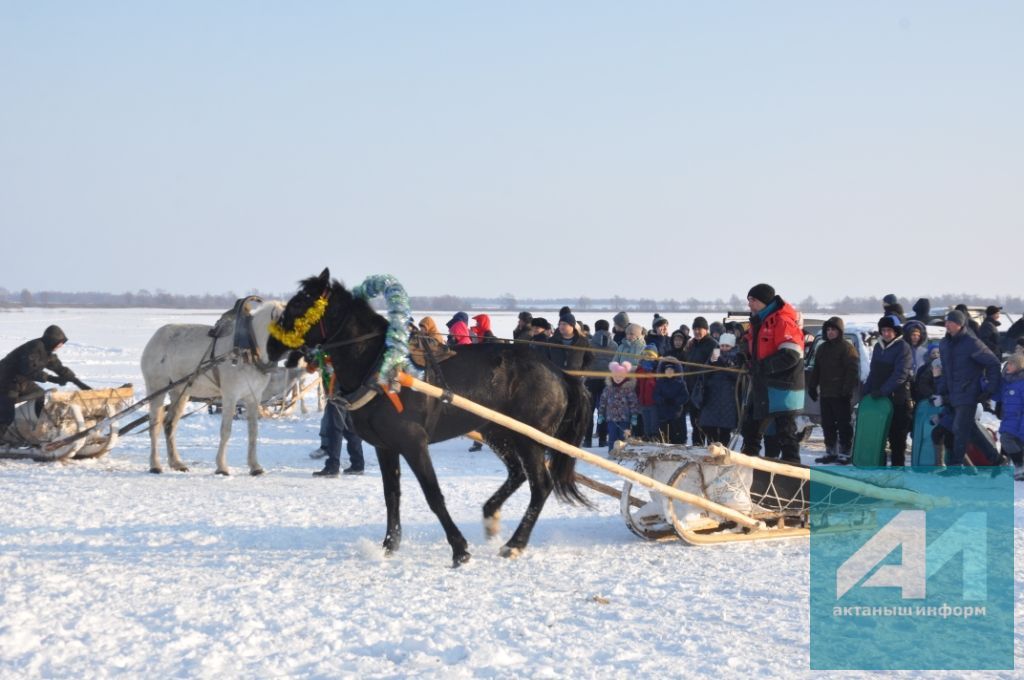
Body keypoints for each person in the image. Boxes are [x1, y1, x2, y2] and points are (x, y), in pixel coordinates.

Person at [739, 284, 805, 464]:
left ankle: (793, 473)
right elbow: (752, 348)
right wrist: (744, 355)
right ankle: (748, 467)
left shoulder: (783, 321)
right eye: (749, 301)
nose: (749, 305)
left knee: (786, 434)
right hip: (763, 385)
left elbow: (791, 354)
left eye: (752, 300)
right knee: (751, 430)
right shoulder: (758, 321)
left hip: (784, 386)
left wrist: (762, 366)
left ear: (763, 301)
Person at [938, 309, 1001, 468]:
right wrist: (941, 392)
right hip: (953, 394)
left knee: (959, 428)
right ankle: (996, 460)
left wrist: (990, 388)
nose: (947, 325)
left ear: (960, 325)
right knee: (969, 429)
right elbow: (946, 371)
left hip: (968, 393)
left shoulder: (971, 343)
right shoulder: (944, 344)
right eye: (946, 322)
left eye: (951, 322)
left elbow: (993, 363)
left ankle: (956, 465)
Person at [0, 325, 81, 440]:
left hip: (20, 381)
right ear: (52, 340)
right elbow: (28, 370)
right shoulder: (35, 347)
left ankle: (38, 428)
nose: (61, 345)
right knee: (6, 416)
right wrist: (54, 379)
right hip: (5, 381)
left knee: (40, 394)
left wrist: (78, 382)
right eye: (59, 343)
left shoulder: (47, 351)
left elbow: (58, 367)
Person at [862, 315, 913, 466]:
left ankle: (898, 468)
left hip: (897, 399)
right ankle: (879, 465)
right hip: (879, 399)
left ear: (896, 331)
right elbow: (873, 371)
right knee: (878, 435)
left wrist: (883, 391)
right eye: (883, 330)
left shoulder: (903, 347)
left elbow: (900, 374)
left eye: (889, 330)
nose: (886, 333)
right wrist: (866, 391)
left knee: (897, 437)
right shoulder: (878, 347)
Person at [808, 317, 860, 464]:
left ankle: (845, 452)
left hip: (840, 394)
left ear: (840, 331)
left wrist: (846, 390)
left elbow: (852, 370)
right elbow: (816, 369)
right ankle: (831, 451)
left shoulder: (847, 348)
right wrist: (812, 386)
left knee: (843, 424)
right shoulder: (822, 348)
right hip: (825, 393)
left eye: (834, 330)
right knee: (827, 424)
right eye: (828, 330)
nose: (830, 332)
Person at [305, 352, 366, 476]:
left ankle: (332, 467)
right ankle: (357, 464)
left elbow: (314, 367)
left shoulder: (331, 349)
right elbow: (312, 368)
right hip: (349, 393)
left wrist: (318, 361)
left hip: (337, 393)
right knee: (350, 429)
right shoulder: (334, 348)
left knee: (334, 429)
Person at [698, 333, 743, 445]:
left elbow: (738, 377)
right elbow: (704, 374)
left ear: (732, 346)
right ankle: (711, 449)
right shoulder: (714, 354)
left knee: (724, 430)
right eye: (722, 345)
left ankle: (723, 452)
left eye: (727, 346)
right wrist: (711, 362)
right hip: (712, 396)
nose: (723, 348)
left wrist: (725, 364)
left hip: (728, 398)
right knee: (709, 427)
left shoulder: (737, 357)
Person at [684, 317, 717, 446]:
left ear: (706, 330)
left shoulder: (714, 344)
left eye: (700, 329)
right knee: (695, 422)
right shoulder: (692, 345)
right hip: (692, 388)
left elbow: (715, 364)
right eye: (695, 329)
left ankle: (711, 448)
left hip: (706, 389)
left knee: (707, 422)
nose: (697, 332)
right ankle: (697, 447)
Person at [585, 320, 617, 448]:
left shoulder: (589, 344)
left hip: (591, 380)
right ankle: (603, 439)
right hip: (607, 381)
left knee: (588, 410)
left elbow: (585, 360)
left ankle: (587, 439)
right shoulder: (614, 345)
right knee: (603, 411)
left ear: (595, 328)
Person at [597, 361, 640, 452]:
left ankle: (622, 453)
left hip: (625, 418)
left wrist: (634, 415)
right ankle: (612, 451)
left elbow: (633, 402)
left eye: (620, 376)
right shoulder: (608, 389)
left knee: (623, 436)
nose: (618, 378)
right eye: (616, 376)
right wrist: (600, 414)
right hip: (611, 418)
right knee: (612, 436)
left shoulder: (628, 389)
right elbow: (603, 401)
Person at [994, 353, 1024, 480]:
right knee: (1008, 441)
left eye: (1011, 363)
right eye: (1007, 363)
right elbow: (996, 396)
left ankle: (1019, 466)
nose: (1007, 366)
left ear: (1018, 366)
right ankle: (1019, 467)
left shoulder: (1021, 383)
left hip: (1019, 421)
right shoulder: (1006, 381)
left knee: (1007, 440)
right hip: (1008, 420)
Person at [654, 359, 689, 444]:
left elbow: (685, 396)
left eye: (671, 370)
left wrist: (675, 401)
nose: (669, 372)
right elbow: (656, 395)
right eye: (667, 370)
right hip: (663, 413)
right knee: (664, 434)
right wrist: (663, 400)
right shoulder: (660, 382)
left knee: (677, 435)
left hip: (676, 413)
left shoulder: (680, 383)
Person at [634, 346, 659, 439]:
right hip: (643, 400)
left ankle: (654, 436)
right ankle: (647, 436)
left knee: (654, 421)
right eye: (645, 354)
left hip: (653, 401)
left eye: (650, 355)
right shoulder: (640, 369)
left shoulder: (657, 368)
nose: (647, 356)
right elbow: (637, 381)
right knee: (646, 421)